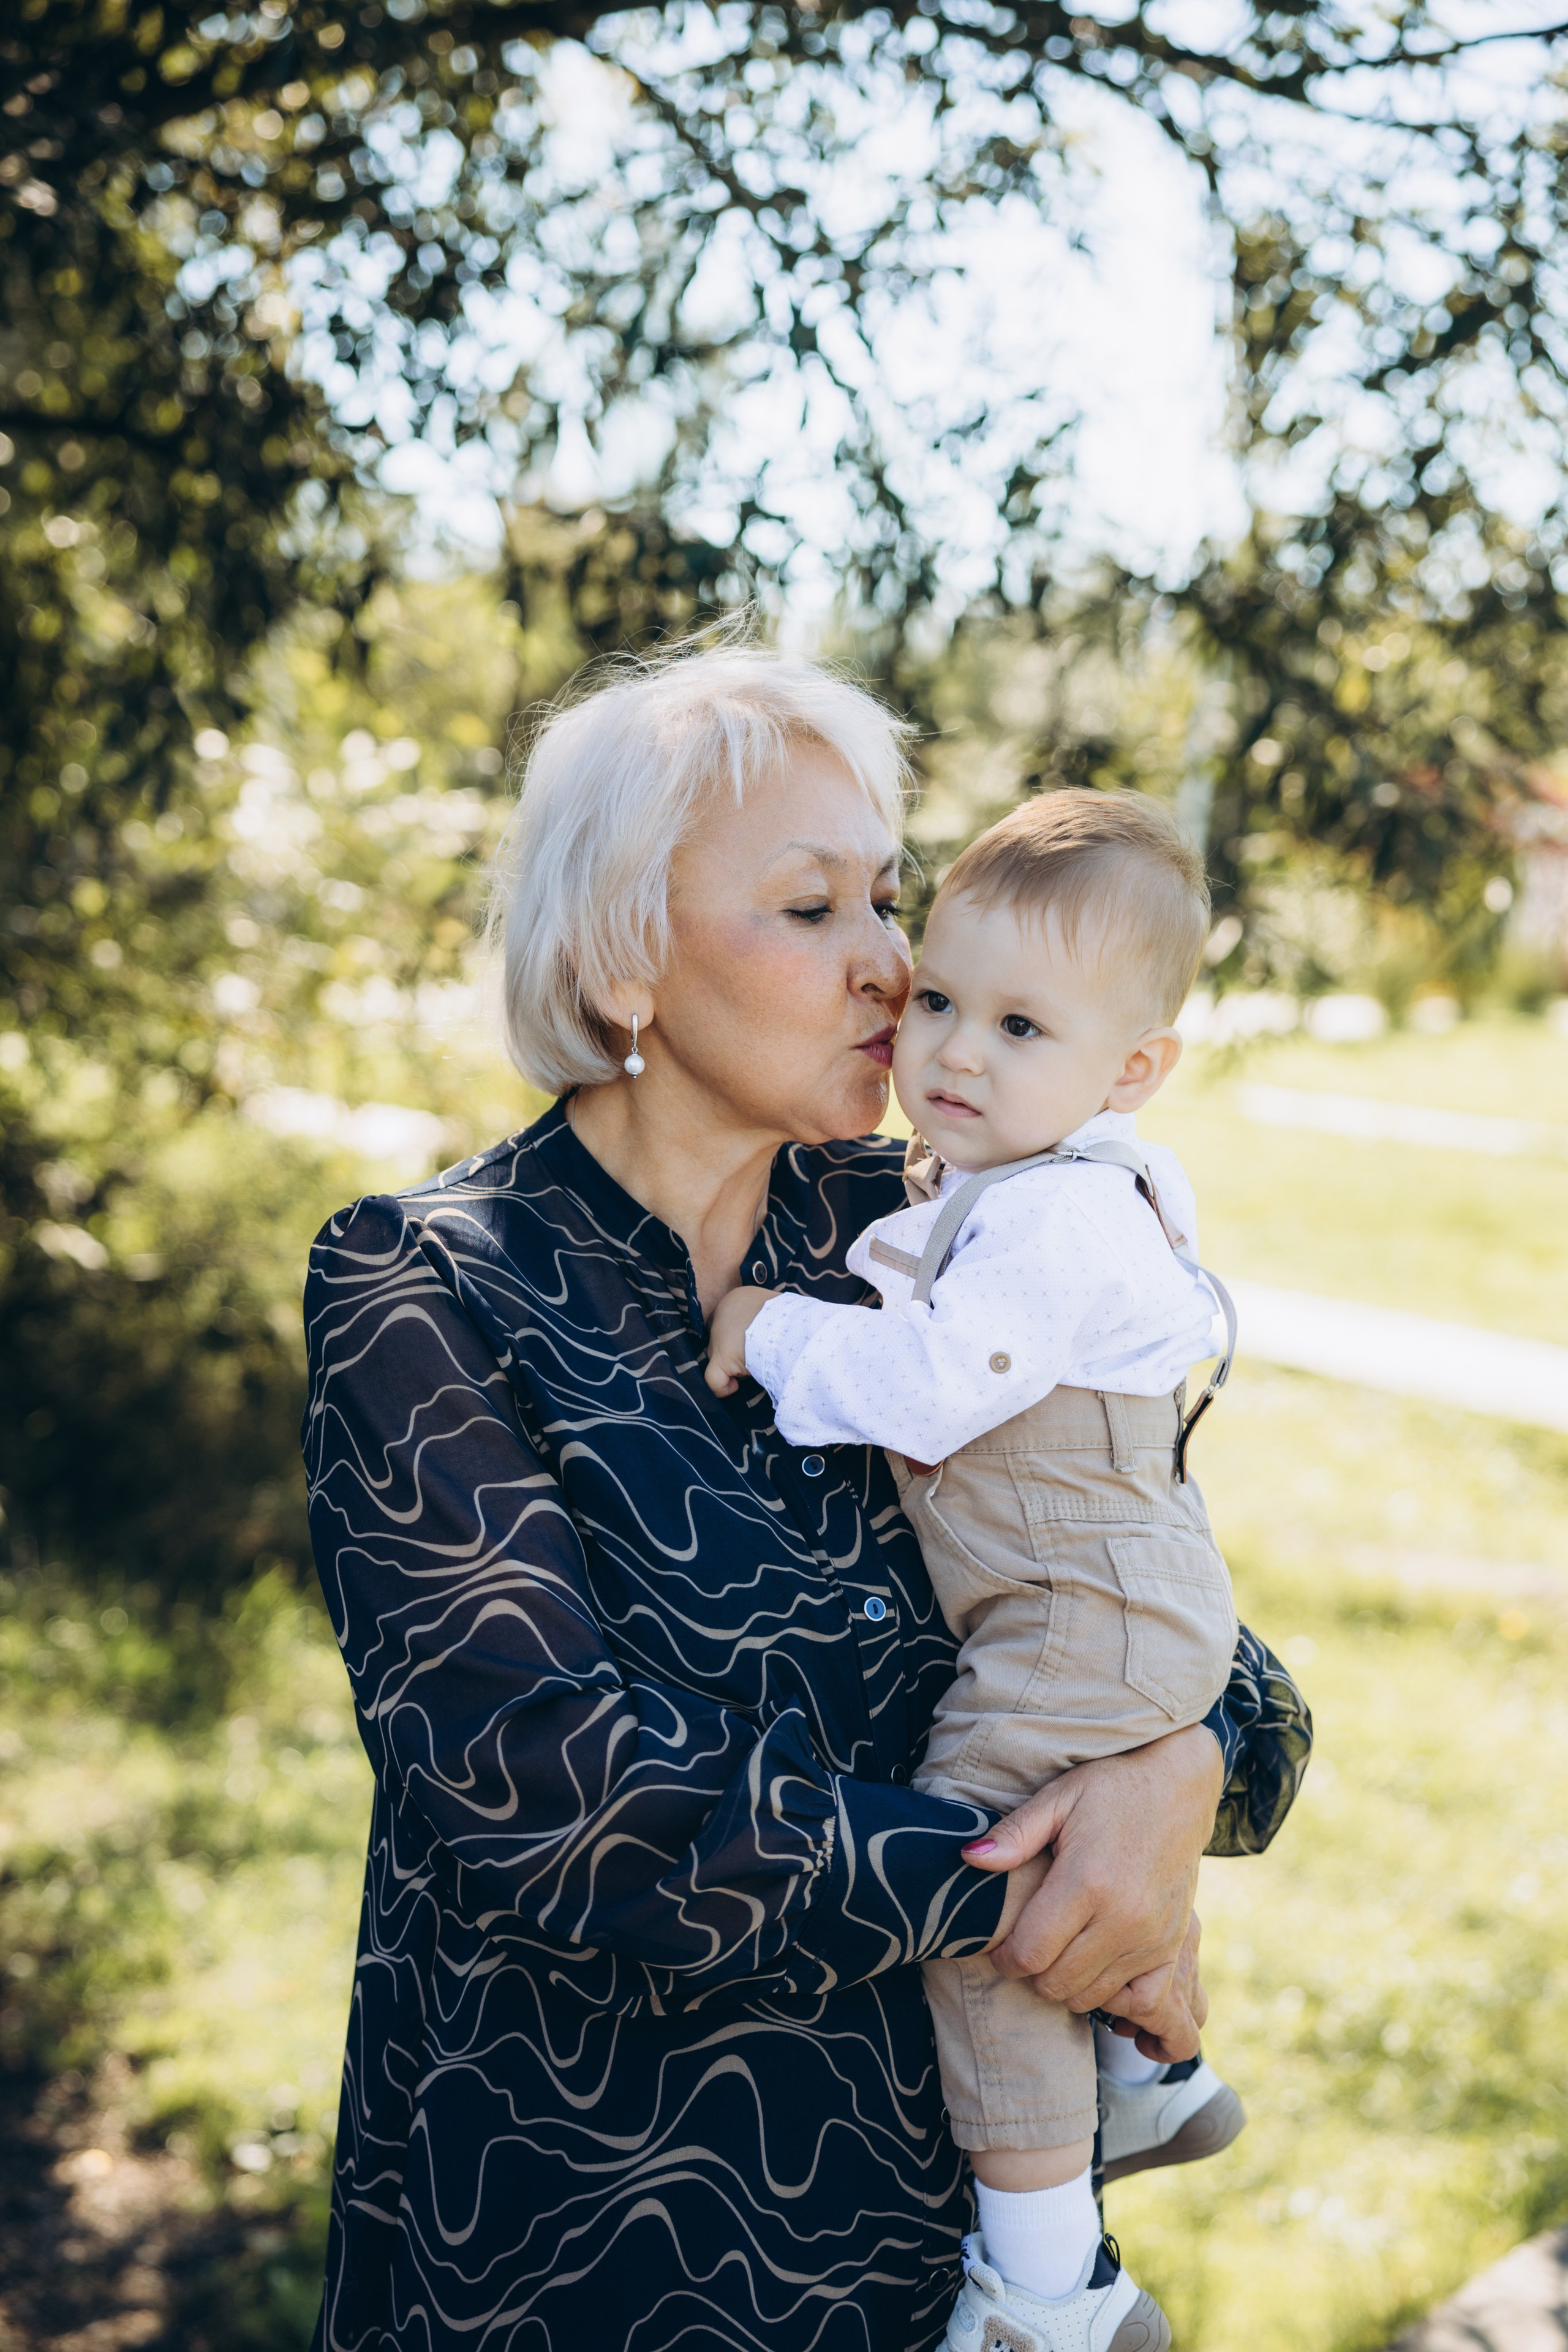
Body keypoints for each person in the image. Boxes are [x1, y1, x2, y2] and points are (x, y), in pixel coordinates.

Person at [301, 641, 1311, 2352]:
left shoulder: (927, 1234)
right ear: (625, 954)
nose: (894, 965)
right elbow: (571, 1812)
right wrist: (1056, 1881)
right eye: (811, 910)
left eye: (890, 900)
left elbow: (1213, 1655)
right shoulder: (427, 1287)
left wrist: (1181, 1771)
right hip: (588, 2250)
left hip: (939, 2257)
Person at [706, 791, 1261, 2350]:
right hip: (1107, 1594)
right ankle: (1155, 2077)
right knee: (1050, 1812)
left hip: (1081, 1600)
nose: (948, 1050)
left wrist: (780, 1330)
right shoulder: (1017, 1184)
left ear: (1128, 1073)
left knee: (985, 1875)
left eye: (1019, 1025)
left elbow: (945, 1385)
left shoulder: (1055, 1218)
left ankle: (1043, 2285)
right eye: (941, 998)